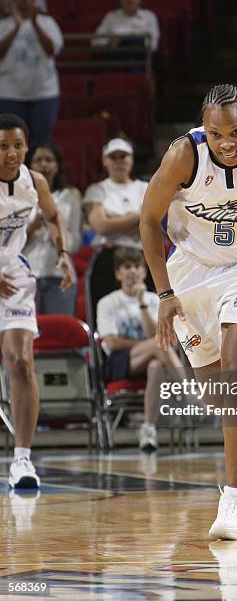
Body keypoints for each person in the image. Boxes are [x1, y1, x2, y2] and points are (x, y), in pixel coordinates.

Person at [140, 84, 237, 540]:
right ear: (202, 130)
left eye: (235, 131)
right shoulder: (183, 155)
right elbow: (149, 221)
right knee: (216, 397)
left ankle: (234, 499)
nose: (227, 142)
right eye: (216, 133)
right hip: (190, 272)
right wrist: (165, 294)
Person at [0, 114, 73, 489]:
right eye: (3, 147)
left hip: (12, 274)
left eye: (18, 146)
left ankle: (22, 460)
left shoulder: (34, 181)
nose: (12, 153)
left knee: (21, 361)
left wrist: (63, 253)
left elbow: (54, 215)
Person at [97, 247, 183, 451]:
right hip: (119, 361)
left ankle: (148, 429)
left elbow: (163, 338)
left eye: (137, 266)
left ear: (144, 272)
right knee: (157, 346)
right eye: (127, 267)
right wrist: (149, 345)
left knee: (156, 365)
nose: (133, 271)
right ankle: (190, 393)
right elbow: (111, 343)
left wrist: (143, 304)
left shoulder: (156, 300)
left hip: (154, 357)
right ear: (118, 273)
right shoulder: (108, 302)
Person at [83, 137, 148, 325]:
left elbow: (155, 223)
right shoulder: (97, 190)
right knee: (106, 313)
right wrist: (138, 217)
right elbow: (100, 225)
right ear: (105, 160)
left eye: (123, 156)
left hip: (141, 256)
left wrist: (115, 221)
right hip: (108, 258)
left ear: (131, 159)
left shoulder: (146, 188)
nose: (119, 161)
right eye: (114, 157)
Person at [23, 143, 81, 315]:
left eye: (49, 160)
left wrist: (53, 227)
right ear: (29, 166)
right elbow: (9, 242)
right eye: (38, 160)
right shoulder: (20, 195)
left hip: (60, 274)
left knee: (58, 335)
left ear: (57, 166)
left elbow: (76, 243)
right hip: (26, 273)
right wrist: (33, 226)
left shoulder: (70, 197)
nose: (43, 165)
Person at [0, 0, 63, 144]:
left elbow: (51, 50)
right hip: (10, 93)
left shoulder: (47, 22)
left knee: (42, 142)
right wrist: (16, 28)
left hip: (44, 93)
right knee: (12, 143)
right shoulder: (3, 24)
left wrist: (35, 24)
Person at [93, 0, 160, 53]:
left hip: (140, 58)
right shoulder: (111, 17)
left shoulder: (149, 17)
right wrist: (110, 40)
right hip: (116, 57)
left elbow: (153, 46)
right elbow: (95, 41)